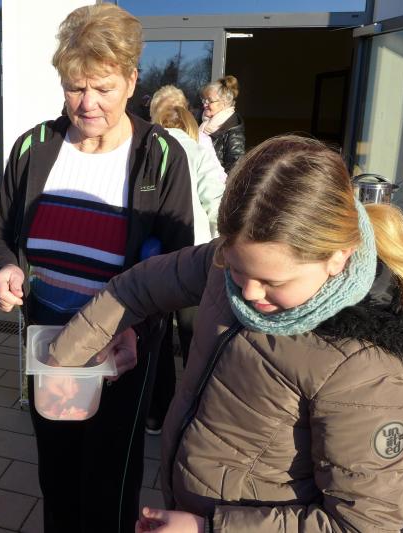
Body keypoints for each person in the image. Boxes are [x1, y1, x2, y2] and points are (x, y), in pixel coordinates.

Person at [48, 135, 403, 532]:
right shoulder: (229, 263)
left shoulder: (364, 369)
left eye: (273, 282)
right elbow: (140, 287)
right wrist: (62, 360)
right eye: (237, 270)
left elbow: (364, 523)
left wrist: (208, 529)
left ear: (338, 257)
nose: (249, 292)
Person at [0, 5, 194, 532]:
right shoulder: (34, 147)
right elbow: (0, 235)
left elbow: (177, 269)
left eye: (103, 87)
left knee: (109, 484)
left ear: (132, 81)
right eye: (75, 87)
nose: (88, 103)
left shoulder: (161, 155)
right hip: (49, 340)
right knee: (56, 473)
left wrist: (137, 330)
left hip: (121, 348)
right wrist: (5, 268)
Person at [146, 96, 226, 435]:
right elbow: (217, 200)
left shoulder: (147, 149)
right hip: (196, 257)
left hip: (155, 257)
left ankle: (156, 413)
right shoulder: (199, 149)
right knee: (196, 334)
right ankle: (196, 408)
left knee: (158, 335)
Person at [199, 75, 246, 173]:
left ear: (224, 103)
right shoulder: (203, 123)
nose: (205, 104)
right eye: (204, 100)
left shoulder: (233, 128)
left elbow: (235, 168)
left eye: (210, 101)